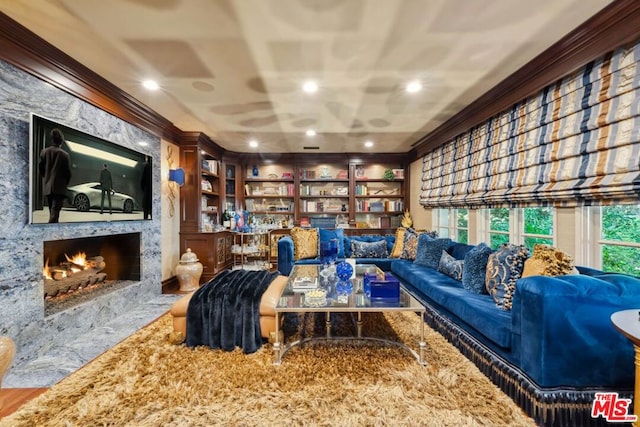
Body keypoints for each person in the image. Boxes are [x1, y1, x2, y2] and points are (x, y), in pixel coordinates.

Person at [39, 128, 71, 223]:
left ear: (52, 139)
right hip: (60, 188)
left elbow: (41, 170)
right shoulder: (65, 155)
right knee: (55, 213)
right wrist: (65, 183)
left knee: (51, 211)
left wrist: (47, 179)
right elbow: (68, 173)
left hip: (48, 187)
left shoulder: (44, 152)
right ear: (61, 141)